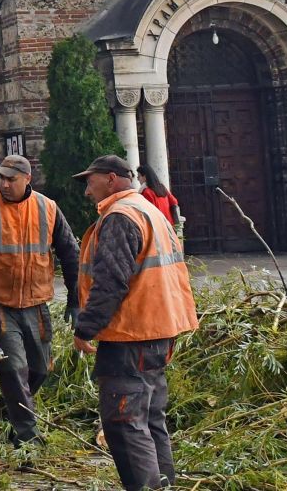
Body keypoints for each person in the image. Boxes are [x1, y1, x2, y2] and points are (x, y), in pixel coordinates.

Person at [71, 155, 199, 491]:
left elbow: (111, 281)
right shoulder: (149, 210)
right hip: (160, 330)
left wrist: (86, 328)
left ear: (111, 178)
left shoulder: (120, 216)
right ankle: (164, 485)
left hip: (131, 335)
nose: (87, 191)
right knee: (151, 419)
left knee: (124, 424)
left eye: (90, 181)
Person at [0, 154, 80, 445]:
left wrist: (76, 299)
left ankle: (5, 408)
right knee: (13, 368)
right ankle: (26, 435)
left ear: (27, 179)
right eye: (1, 178)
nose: (5, 184)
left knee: (40, 369)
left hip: (36, 301)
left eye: (11, 179)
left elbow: (71, 254)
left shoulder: (48, 209)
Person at [135, 163, 182, 232]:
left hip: (158, 228)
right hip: (170, 226)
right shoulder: (162, 187)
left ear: (144, 177)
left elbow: (149, 214)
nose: (138, 180)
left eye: (138, 177)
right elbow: (174, 202)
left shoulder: (146, 192)